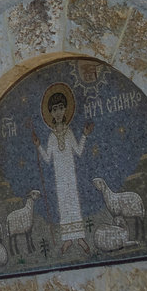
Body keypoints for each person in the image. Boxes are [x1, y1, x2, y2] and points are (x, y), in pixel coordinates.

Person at [33, 84, 94, 254]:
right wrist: (38, 146)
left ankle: (80, 238)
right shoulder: (52, 136)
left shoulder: (69, 133)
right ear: (51, 113)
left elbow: (79, 151)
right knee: (64, 205)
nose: (58, 112)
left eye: (61, 108)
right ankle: (67, 239)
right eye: (54, 109)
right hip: (60, 177)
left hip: (70, 176)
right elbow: (46, 158)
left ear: (66, 109)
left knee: (74, 203)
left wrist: (84, 135)